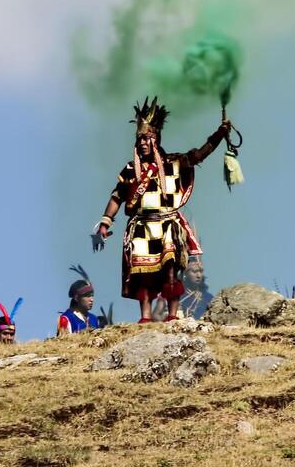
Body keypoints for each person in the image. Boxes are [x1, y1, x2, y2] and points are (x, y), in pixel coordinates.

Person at [92, 97, 232, 322]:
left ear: (155, 139)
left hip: (167, 224)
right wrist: (105, 221)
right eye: (139, 139)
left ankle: (173, 315)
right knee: (142, 273)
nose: (143, 143)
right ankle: (145, 317)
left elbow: (198, 155)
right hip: (140, 227)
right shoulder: (130, 171)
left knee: (170, 268)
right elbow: (117, 196)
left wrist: (219, 135)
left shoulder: (172, 163)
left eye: (146, 138)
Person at [56, 265, 103, 335]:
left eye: (92, 296)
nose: (92, 299)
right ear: (77, 298)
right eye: (87, 296)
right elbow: (63, 343)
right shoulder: (66, 319)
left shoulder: (94, 319)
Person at [178, 254, 214, 319]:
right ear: (185, 274)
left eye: (200, 272)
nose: (199, 275)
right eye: (194, 272)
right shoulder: (176, 296)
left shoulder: (209, 298)